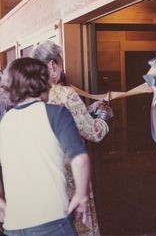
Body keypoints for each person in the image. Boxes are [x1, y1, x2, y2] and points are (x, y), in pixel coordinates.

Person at [0, 57, 90, 236]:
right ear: (42, 81)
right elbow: (80, 160)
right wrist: (81, 195)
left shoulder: (4, 122)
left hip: (14, 226)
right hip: (52, 222)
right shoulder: (56, 114)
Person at [31, 40, 113, 235]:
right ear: (52, 65)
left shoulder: (32, 94)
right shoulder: (66, 94)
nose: (62, 67)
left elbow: (71, 118)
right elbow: (94, 133)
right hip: (72, 176)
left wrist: (89, 109)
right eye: (60, 63)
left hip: (45, 176)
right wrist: (104, 115)